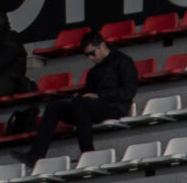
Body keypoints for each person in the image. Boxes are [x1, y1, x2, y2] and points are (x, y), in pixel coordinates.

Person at [20, 30, 138, 169]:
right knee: (55, 106)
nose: (90, 58)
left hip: (115, 107)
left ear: (102, 46)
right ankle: (35, 155)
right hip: (93, 106)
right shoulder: (94, 71)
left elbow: (128, 92)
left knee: (80, 104)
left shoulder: (123, 61)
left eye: (92, 53)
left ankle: (88, 152)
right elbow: (89, 92)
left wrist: (99, 95)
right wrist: (81, 95)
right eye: (87, 55)